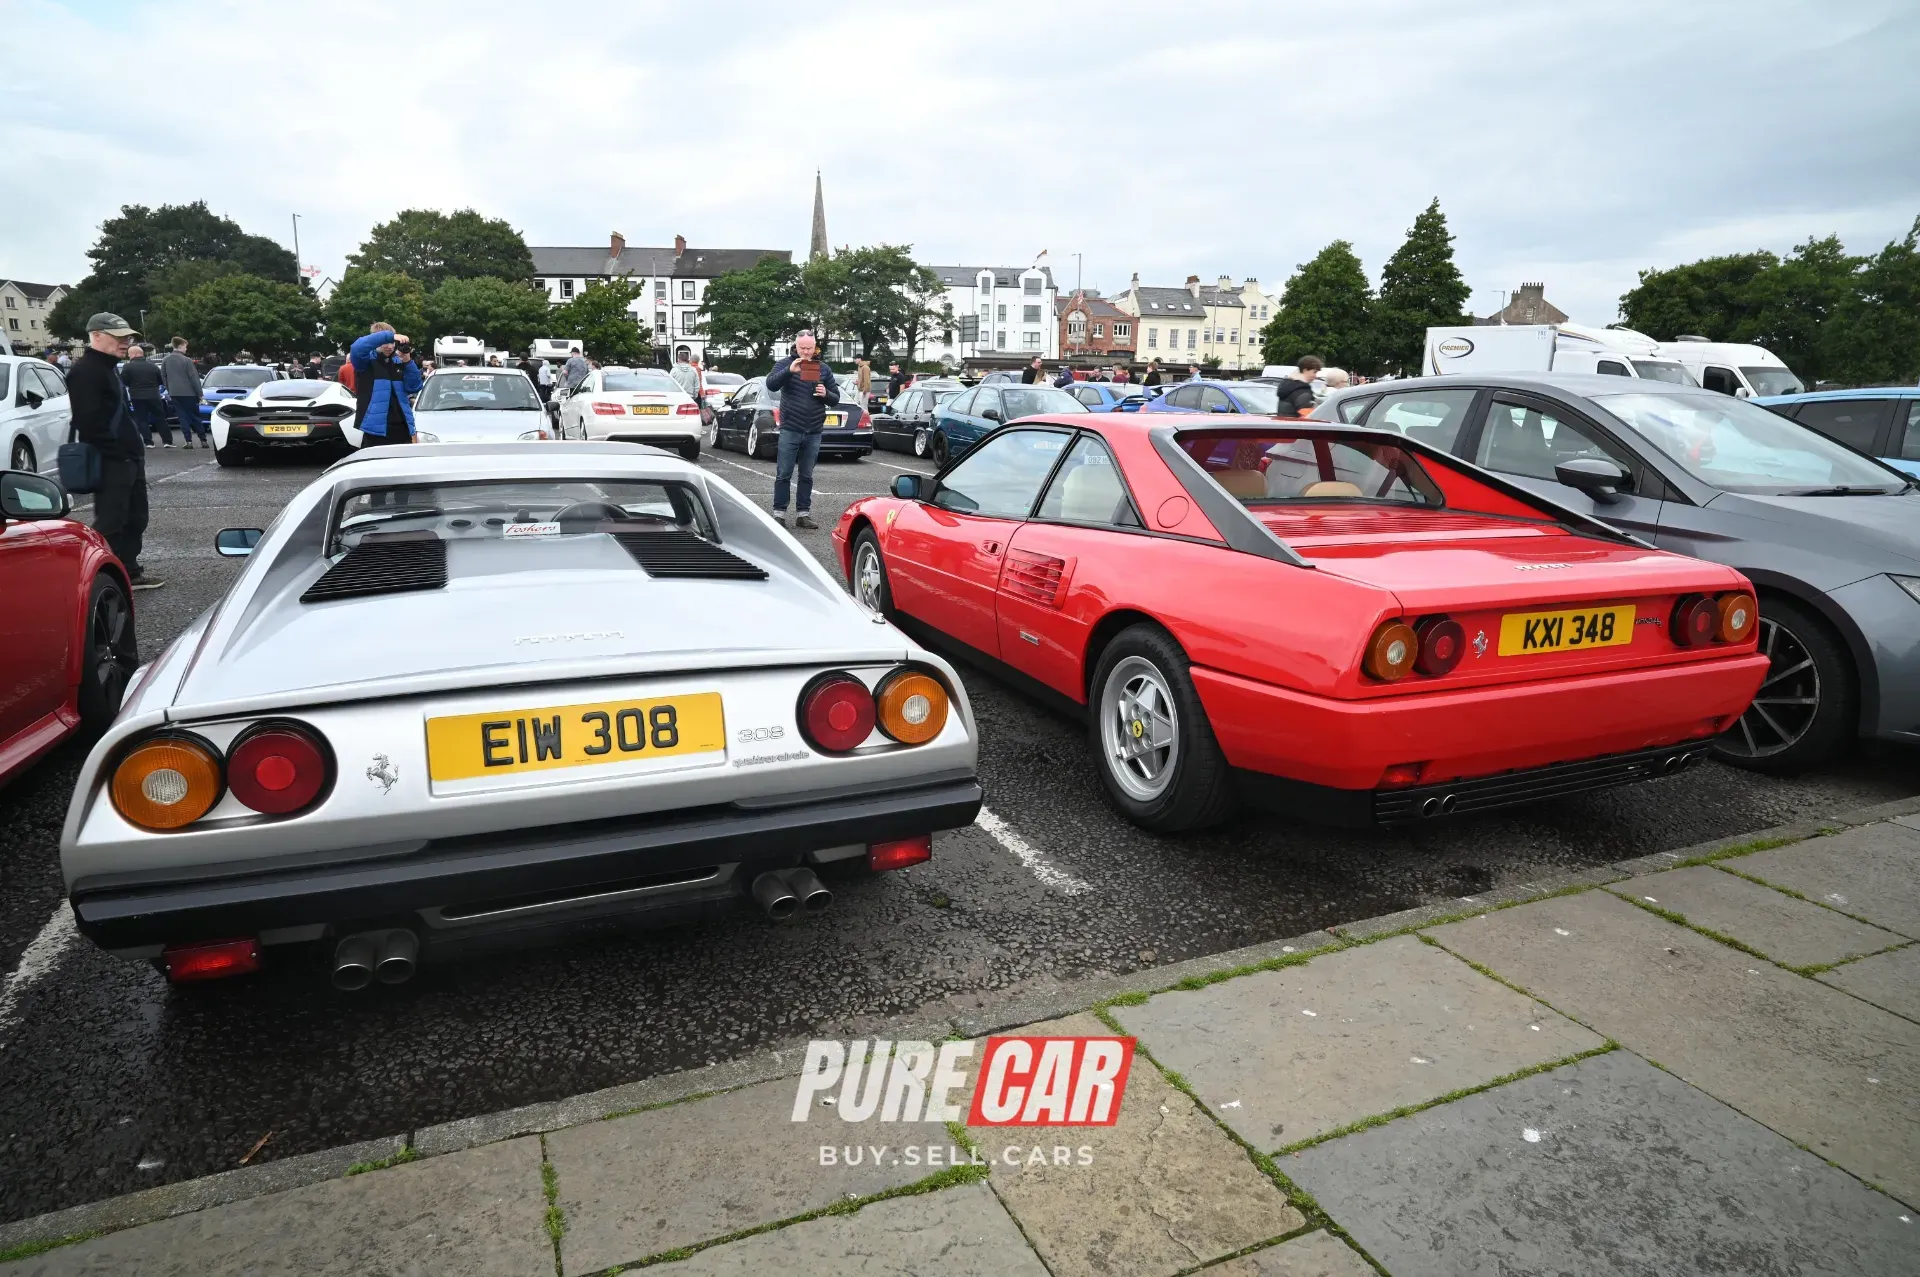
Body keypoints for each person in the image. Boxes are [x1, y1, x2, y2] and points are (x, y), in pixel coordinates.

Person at [70, 314, 161, 588]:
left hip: (128, 456)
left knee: (135, 517)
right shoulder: (86, 371)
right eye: (119, 337)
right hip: (112, 459)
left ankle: (128, 571)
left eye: (127, 337)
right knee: (111, 520)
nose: (125, 342)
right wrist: (116, 452)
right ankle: (96, 576)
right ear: (96, 335)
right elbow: (88, 421)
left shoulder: (108, 368)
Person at [763, 330, 838, 529]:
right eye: (802, 348)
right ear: (795, 347)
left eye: (809, 348)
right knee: (784, 473)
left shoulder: (823, 368)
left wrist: (826, 393)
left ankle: (803, 514)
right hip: (790, 428)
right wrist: (790, 370)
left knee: (806, 474)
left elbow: (836, 399)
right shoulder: (784, 364)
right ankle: (779, 514)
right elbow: (771, 384)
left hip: (813, 430)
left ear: (815, 348)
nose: (805, 352)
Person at [349, 322, 423, 447]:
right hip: (376, 431)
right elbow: (356, 348)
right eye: (386, 342)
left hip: (402, 427)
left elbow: (414, 386)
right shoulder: (365, 362)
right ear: (376, 341)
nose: (390, 346)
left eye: (393, 343)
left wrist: (408, 362)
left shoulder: (398, 363)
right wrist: (389, 336)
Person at [119, 344, 172, 448]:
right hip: (154, 395)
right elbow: (161, 380)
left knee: (141, 419)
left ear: (134, 354)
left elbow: (124, 381)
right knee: (160, 418)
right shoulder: (153, 365)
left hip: (136, 395)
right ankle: (167, 441)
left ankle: (148, 442)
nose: (129, 356)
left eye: (129, 354)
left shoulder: (127, 367)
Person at [161, 337, 203, 450]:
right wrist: (200, 394)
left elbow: (163, 377)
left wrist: (169, 389)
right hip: (189, 393)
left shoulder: (165, 360)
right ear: (180, 346)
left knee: (182, 417)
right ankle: (203, 440)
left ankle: (188, 441)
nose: (186, 349)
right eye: (185, 346)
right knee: (195, 416)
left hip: (175, 393)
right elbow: (194, 378)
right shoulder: (187, 360)